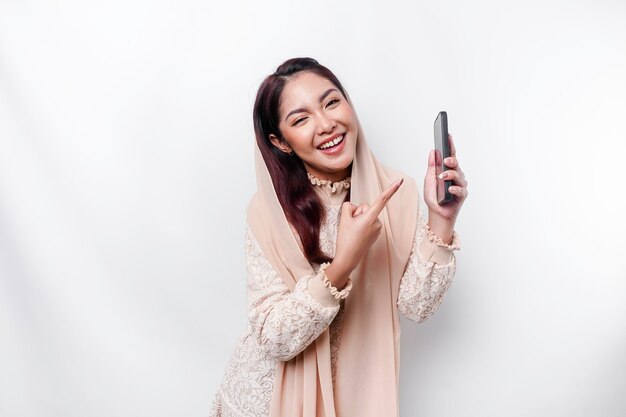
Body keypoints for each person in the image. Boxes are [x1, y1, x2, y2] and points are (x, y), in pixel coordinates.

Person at [209, 57, 468, 417]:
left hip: (355, 399)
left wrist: (442, 219)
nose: (327, 123)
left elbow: (415, 306)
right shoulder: (268, 211)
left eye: (332, 102)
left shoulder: (396, 193)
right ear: (280, 142)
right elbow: (273, 337)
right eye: (300, 119)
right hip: (266, 403)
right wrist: (343, 264)